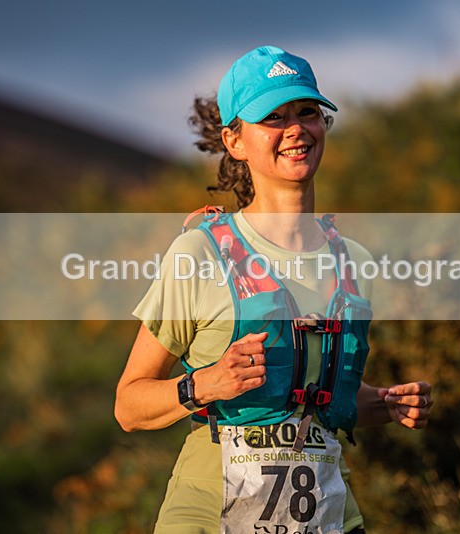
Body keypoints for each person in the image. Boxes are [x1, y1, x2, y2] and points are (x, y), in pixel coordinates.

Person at [115, 45, 433, 534]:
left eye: (307, 112)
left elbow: (318, 398)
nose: (295, 129)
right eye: (272, 117)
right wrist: (206, 383)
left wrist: (385, 403)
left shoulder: (355, 262)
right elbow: (129, 406)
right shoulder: (197, 255)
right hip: (206, 518)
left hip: (329, 520)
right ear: (235, 141)